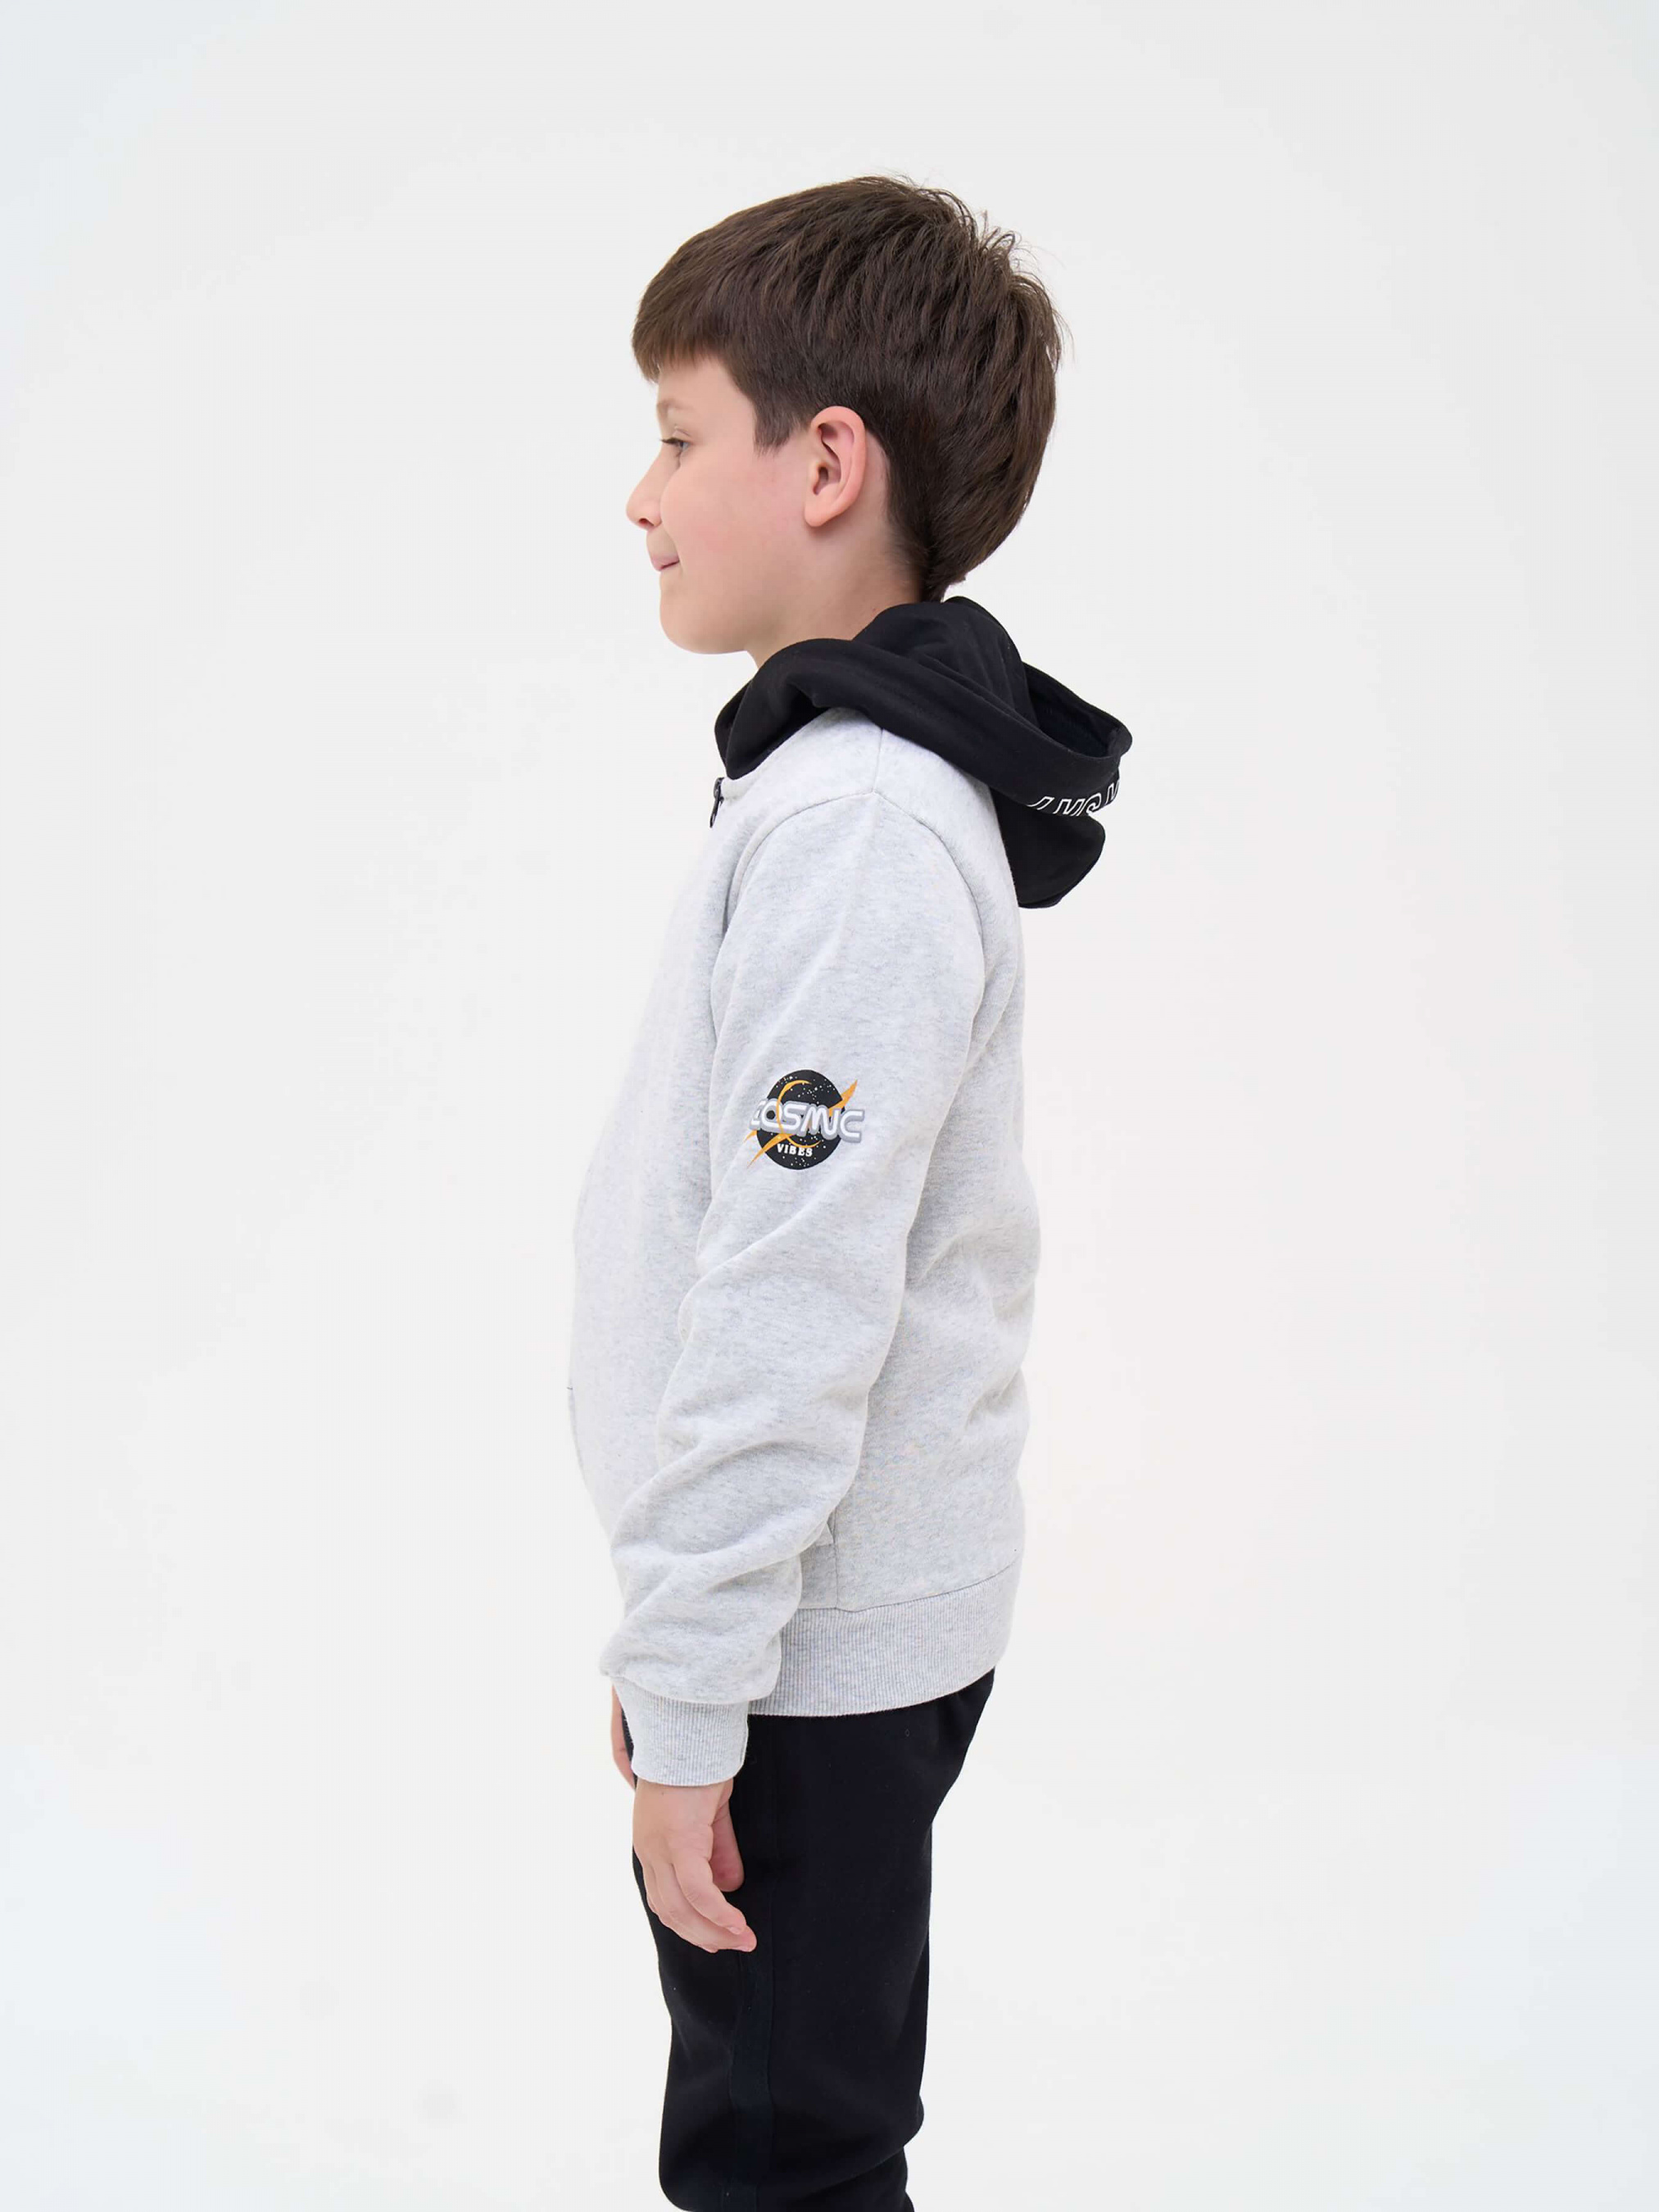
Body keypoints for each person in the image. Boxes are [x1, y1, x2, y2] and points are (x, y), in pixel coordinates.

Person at [566, 173, 1134, 2210]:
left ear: (823, 465)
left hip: (805, 1645)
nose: (639, 496)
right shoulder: (832, 791)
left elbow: (790, 1296)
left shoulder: (858, 831)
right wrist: (685, 1648)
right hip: (789, 1627)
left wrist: (694, 1686)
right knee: (786, 2125)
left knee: (781, 2159)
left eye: (674, 434)